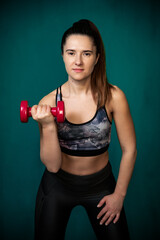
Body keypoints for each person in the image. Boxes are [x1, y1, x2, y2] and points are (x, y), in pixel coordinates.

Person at [32, 19, 137, 240]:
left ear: (97, 58)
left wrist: (119, 195)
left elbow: (130, 149)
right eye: (71, 53)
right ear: (62, 55)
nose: (78, 61)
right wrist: (48, 125)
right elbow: (52, 166)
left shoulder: (114, 97)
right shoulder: (48, 102)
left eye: (86, 54)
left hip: (101, 186)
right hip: (58, 186)